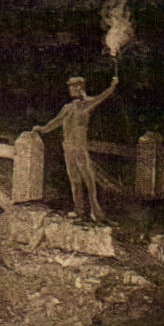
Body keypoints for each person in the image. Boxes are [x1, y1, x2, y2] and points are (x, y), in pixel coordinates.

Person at [34, 74, 119, 222]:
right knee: (74, 179)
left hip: (80, 148)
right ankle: (79, 209)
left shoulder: (87, 104)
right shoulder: (67, 108)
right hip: (68, 148)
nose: (71, 89)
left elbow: (102, 96)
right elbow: (55, 122)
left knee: (88, 179)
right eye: (70, 86)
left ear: (80, 87)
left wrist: (112, 86)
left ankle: (95, 211)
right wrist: (41, 129)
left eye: (73, 86)